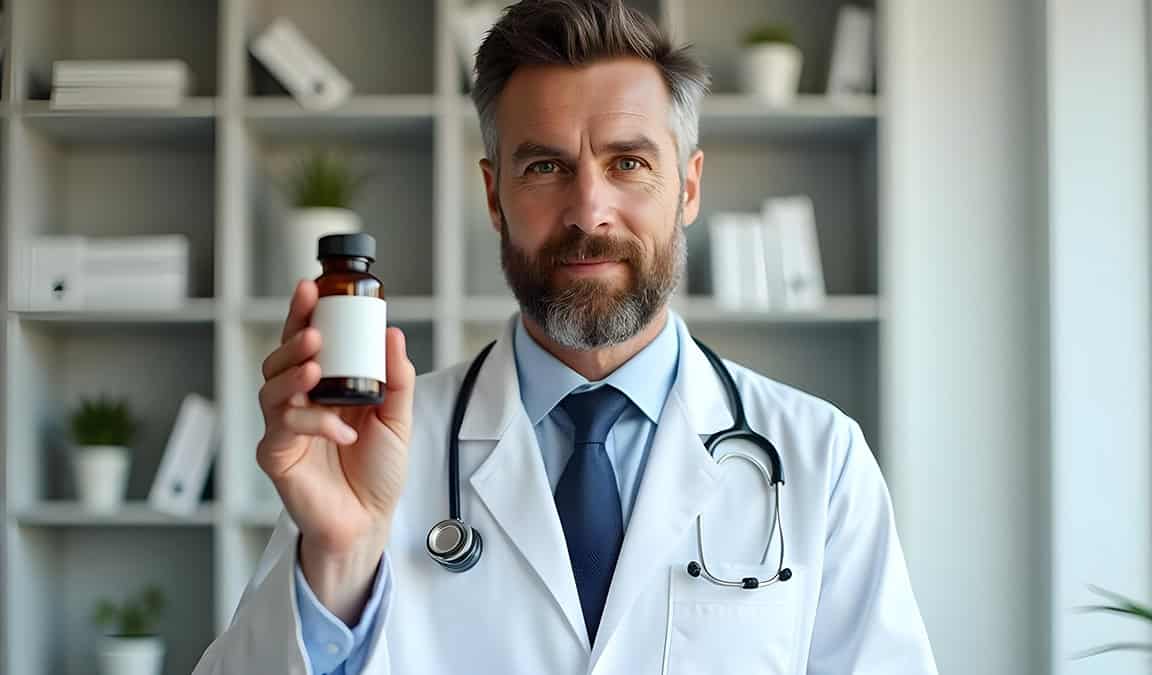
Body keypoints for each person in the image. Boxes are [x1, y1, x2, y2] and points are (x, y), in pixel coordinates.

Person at [193, 1, 938, 673]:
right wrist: (339, 555)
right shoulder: (375, 450)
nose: (589, 210)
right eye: (546, 166)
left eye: (629, 163)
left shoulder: (820, 460)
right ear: (494, 195)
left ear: (688, 187)